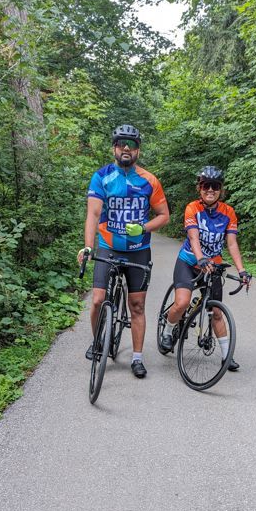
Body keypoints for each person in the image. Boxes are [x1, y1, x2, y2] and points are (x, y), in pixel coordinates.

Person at [78, 124, 169, 378]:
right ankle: (99, 341)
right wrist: (88, 246)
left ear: (138, 150)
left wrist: (143, 228)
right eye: (121, 144)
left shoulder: (150, 180)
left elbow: (164, 216)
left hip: (139, 250)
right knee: (97, 300)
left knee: (137, 306)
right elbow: (93, 214)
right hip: (108, 247)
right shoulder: (101, 177)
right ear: (114, 148)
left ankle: (137, 357)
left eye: (131, 144)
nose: (126, 148)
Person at [159, 165, 250, 370]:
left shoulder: (228, 213)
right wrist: (200, 259)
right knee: (181, 303)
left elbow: (232, 243)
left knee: (216, 311)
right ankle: (167, 330)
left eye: (215, 186)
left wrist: (242, 270)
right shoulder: (193, 208)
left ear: (221, 190)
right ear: (199, 188)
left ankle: (227, 356)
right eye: (206, 186)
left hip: (213, 267)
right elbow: (193, 237)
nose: (210, 190)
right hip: (189, 262)